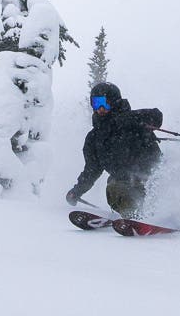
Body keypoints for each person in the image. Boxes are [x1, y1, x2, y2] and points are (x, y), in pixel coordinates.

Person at [65, 81, 164, 217]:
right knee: (114, 188)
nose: (100, 108)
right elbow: (91, 170)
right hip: (124, 181)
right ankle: (133, 216)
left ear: (114, 102)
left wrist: (129, 119)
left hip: (153, 176)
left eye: (104, 103)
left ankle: (165, 214)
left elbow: (157, 116)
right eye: (95, 103)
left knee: (150, 189)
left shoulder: (131, 121)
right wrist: (77, 191)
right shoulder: (94, 138)